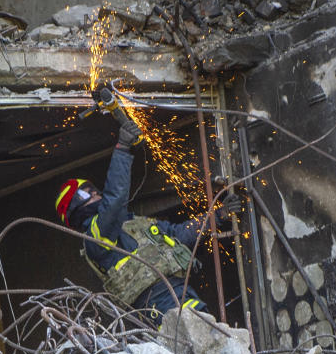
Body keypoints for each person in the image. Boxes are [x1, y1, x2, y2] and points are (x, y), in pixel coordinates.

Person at [54, 122, 238, 323]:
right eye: (86, 194)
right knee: (202, 338)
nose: (96, 193)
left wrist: (219, 215)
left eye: (93, 189)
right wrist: (122, 149)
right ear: (76, 210)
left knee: (209, 336)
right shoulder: (94, 238)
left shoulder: (135, 225)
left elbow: (178, 234)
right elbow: (115, 200)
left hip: (177, 292)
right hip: (156, 303)